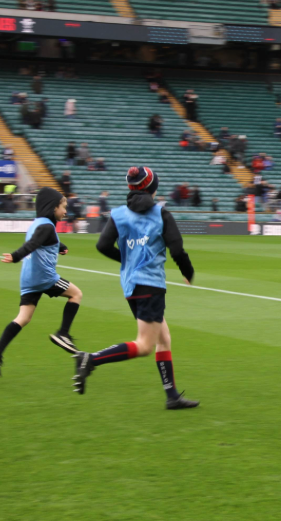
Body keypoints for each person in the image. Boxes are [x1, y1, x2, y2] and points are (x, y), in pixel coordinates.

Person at [73, 167, 198, 409]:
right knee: (144, 346)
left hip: (131, 284)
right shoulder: (161, 214)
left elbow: (102, 245)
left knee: (164, 338)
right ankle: (91, 360)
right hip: (151, 285)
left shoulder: (119, 214)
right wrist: (188, 273)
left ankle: (172, 396)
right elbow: (177, 250)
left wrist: (127, 260)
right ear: (153, 187)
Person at [0, 188, 84, 377]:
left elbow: (42, 239)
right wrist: (15, 256)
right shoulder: (46, 227)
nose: (65, 212)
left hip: (28, 279)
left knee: (23, 318)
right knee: (76, 294)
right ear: (53, 207)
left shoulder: (39, 223)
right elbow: (32, 244)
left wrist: (60, 246)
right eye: (63, 207)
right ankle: (63, 333)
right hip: (43, 278)